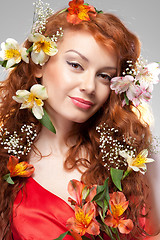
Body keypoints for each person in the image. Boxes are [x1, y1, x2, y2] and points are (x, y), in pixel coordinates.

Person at [0, 0, 159, 239]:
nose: (89, 86)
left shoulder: (129, 163)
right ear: (38, 64)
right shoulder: (5, 160)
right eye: (75, 65)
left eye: (104, 76)